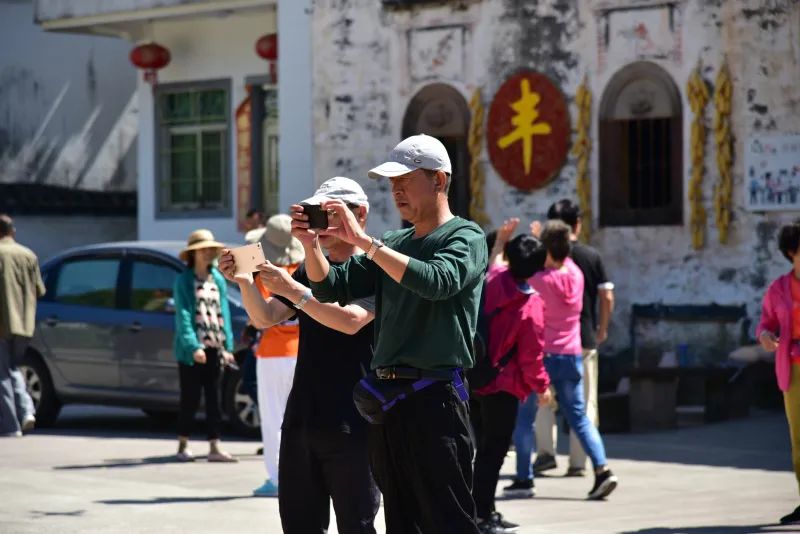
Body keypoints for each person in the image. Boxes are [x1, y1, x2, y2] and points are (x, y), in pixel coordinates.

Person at [297, 134, 488, 533]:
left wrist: (366, 243)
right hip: (387, 402)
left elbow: (438, 281)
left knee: (448, 520)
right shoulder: (395, 242)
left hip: (436, 400)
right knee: (401, 521)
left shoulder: (465, 236)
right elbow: (330, 286)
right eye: (391, 182)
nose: (396, 189)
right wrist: (310, 244)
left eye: (406, 179)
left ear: (438, 180)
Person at [220, 176, 380, 533]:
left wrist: (296, 292)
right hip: (303, 418)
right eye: (316, 213)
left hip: (353, 421)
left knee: (358, 524)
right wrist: (245, 281)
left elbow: (351, 321)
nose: (321, 222)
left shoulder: (375, 266)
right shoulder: (309, 268)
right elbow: (264, 317)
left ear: (361, 214)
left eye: (331, 212)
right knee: (299, 524)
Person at [513, 220, 617, 500]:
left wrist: (533, 242)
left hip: (542, 355)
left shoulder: (539, 279)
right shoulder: (575, 273)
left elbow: (521, 273)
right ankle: (602, 469)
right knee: (579, 417)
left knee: (525, 419)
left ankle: (524, 477)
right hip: (571, 354)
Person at [471, 233, 551, 533]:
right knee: (493, 453)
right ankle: (482, 516)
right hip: (502, 386)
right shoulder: (530, 307)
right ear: (537, 268)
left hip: (473, 379)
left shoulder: (491, 282)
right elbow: (532, 358)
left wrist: (500, 245)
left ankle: (482, 509)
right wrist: (543, 388)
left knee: (480, 451)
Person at [533, 199, 615, 477]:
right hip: (584, 339)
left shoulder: (542, 263)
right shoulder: (590, 257)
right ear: (577, 223)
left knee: (542, 401)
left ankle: (545, 453)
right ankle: (579, 462)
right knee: (584, 405)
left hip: (546, 344)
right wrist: (603, 328)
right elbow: (607, 295)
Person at [250, 214, 303, 497]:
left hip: (271, 353)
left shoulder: (263, 273)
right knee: (302, 418)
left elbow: (255, 315)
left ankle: (278, 479)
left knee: (273, 420)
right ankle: (304, 475)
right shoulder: (303, 269)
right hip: (302, 351)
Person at [173, 229, 237, 462]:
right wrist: (193, 346)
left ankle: (214, 446)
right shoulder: (184, 280)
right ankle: (183, 444)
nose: (210, 252)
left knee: (214, 398)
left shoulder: (217, 278)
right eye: (205, 249)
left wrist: (228, 347)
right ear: (194, 253)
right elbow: (183, 315)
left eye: (211, 248)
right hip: (192, 351)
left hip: (214, 346)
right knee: (190, 397)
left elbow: (224, 313)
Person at [758, 219, 800, 525]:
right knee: (799, 439)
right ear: (791, 253)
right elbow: (766, 323)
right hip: (792, 369)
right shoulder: (778, 289)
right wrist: (765, 336)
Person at [0, 215, 44, 437]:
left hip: (2, 323)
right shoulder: (29, 255)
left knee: (3, 375)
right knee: (12, 369)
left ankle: (10, 426)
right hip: (24, 324)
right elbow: (40, 290)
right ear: (12, 232)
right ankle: (27, 411)